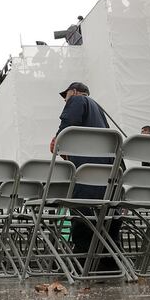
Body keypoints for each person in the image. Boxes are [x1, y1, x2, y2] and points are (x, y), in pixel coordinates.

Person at [52, 82, 121, 271]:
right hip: (105, 171)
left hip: (86, 169)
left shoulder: (77, 100)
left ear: (73, 92)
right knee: (106, 216)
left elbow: (67, 126)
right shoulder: (98, 109)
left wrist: (58, 140)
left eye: (66, 95)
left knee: (82, 213)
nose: (65, 99)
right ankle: (110, 263)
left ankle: (82, 263)